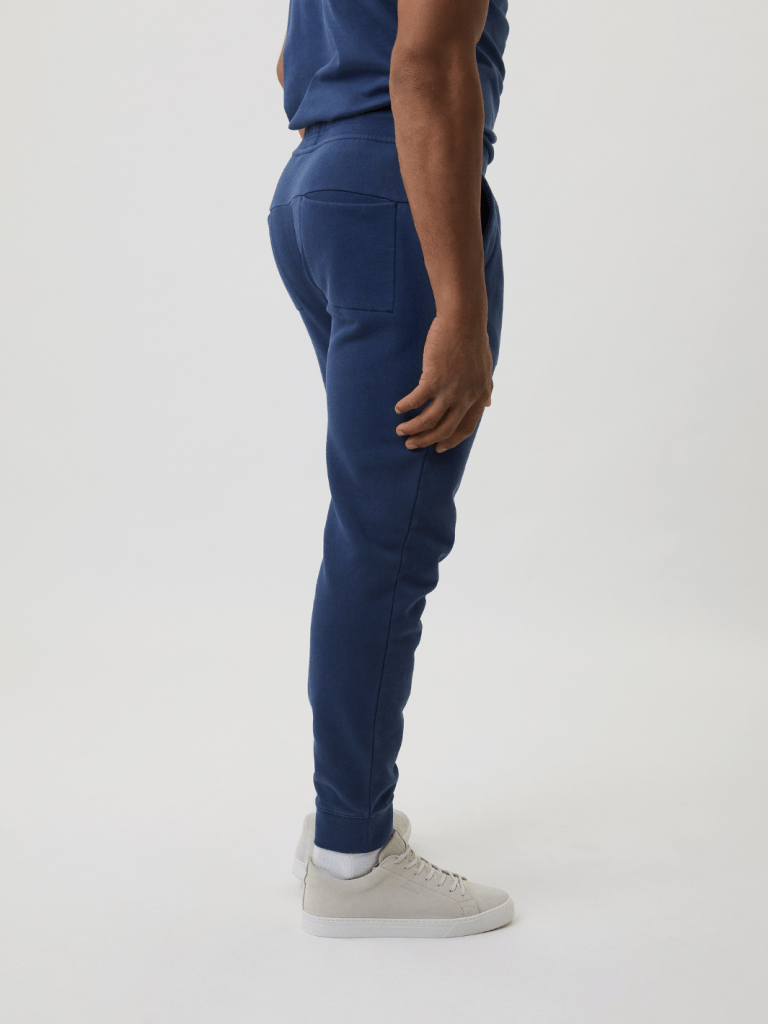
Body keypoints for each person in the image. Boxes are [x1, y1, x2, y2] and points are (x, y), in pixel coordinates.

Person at [269, 0, 513, 938]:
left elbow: (292, 64)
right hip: (396, 193)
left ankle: (344, 817)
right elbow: (426, 67)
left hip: (318, 184)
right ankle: (353, 858)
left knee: (370, 522)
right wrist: (460, 306)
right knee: (388, 535)